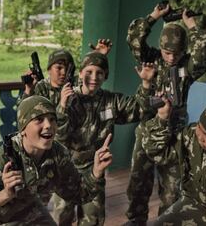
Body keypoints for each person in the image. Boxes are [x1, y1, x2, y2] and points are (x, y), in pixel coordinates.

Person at [125, 4, 206, 225]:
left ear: (183, 52)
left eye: (177, 53)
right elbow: (134, 39)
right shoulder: (151, 58)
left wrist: (191, 24)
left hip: (175, 134)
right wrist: (155, 15)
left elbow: (203, 54)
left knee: (172, 190)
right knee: (138, 184)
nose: (172, 57)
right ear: (160, 48)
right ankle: (136, 221)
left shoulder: (188, 66)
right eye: (167, 52)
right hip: (148, 130)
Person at [0, 95, 113, 225]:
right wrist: (4, 195)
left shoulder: (58, 154)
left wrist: (96, 171)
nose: (48, 125)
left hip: (30, 209)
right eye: (39, 120)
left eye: (52, 119)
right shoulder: (0, 161)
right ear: (23, 129)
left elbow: (77, 193)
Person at [54, 50, 155, 226]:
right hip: (66, 169)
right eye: (89, 72)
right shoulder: (67, 98)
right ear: (81, 73)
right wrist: (62, 107)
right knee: (62, 217)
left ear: (105, 75)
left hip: (95, 169)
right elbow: (58, 137)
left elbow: (140, 109)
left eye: (100, 73)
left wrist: (146, 83)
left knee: (93, 218)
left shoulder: (111, 100)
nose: (94, 77)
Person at [142, 99, 206, 225]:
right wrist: (162, 118)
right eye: (200, 127)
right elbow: (156, 153)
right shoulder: (191, 135)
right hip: (193, 202)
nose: (200, 136)